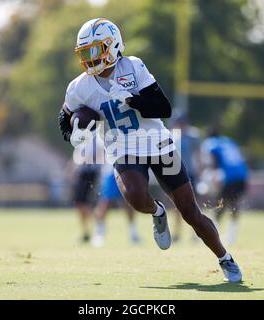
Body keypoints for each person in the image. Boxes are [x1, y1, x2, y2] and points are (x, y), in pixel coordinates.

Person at [58, 18, 242, 282]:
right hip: (123, 149)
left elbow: (163, 108)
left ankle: (225, 258)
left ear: (111, 46)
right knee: (135, 196)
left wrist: (133, 100)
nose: (88, 59)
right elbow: (64, 118)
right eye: (84, 53)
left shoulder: (133, 67)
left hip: (157, 144)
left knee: (190, 212)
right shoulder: (79, 87)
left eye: (94, 51)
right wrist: (72, 134)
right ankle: (157, 211)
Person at [201, 126, 249, 246]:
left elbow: (212, 162)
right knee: (233, 205)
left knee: (219, 204)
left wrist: (211, 174)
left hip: (229, 177)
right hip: (242, 175)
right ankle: (231, 235)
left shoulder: (210, 143)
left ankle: (213, 233)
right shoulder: (228, 141)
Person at [171, 113, 203, 242]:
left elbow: (198, 155)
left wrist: (201, 171)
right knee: (176, 205)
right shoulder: (172, 135)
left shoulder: (193, 136)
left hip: (190, 173)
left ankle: (196, 233)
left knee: (194, 205)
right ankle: (177, 233)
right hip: (175, 173)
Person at [92, 165, 141, 247]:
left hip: (124, 171)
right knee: (105, 202)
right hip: (109, 172)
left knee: (128, 202)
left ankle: (133, 233)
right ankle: (99, 233)